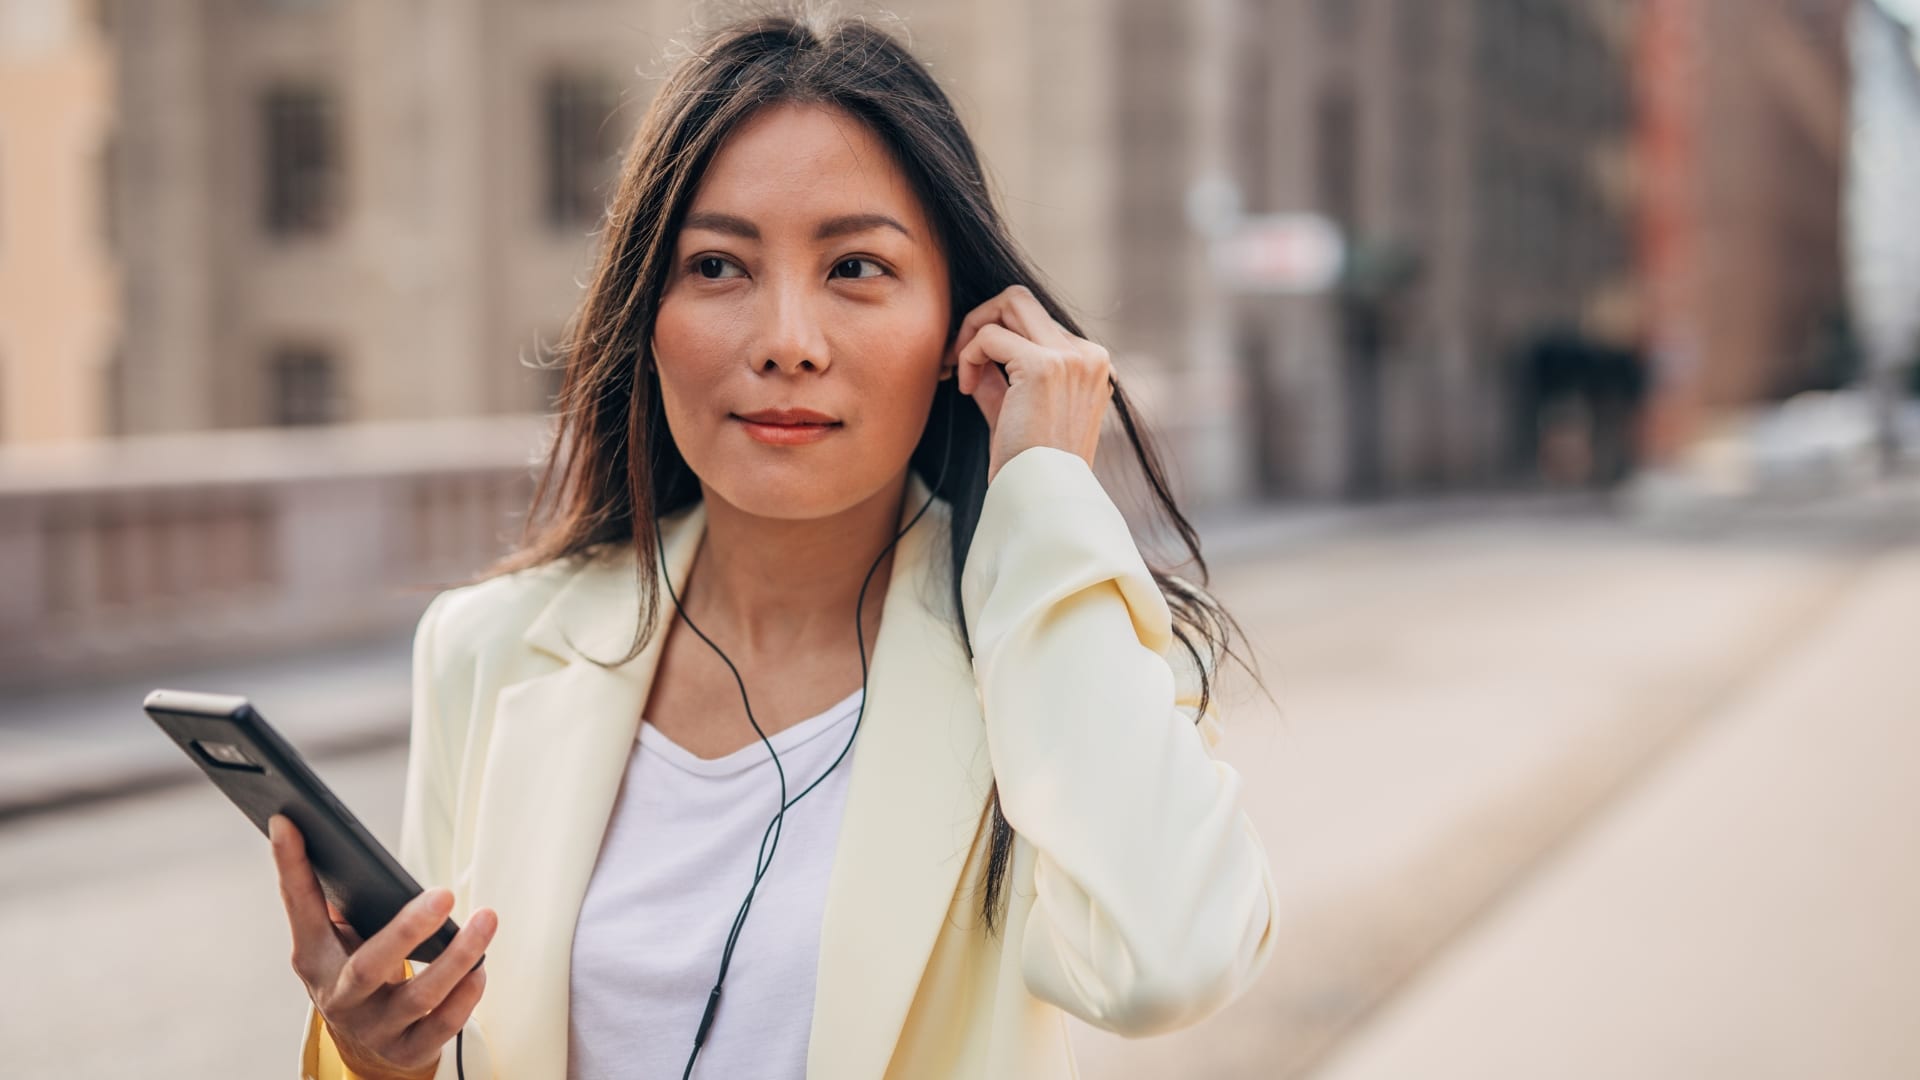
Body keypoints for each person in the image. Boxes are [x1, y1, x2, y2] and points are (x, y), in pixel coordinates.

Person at [271, 8, 1279, 1079]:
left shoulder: (1058, 644)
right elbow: (441, 1042)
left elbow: (1169, 963)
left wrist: (1044, 494)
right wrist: (377, 1057)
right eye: (716, 268)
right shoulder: (491, 649)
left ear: (958, 331)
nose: (787, 344)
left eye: (856, 268)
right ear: (645, 312)